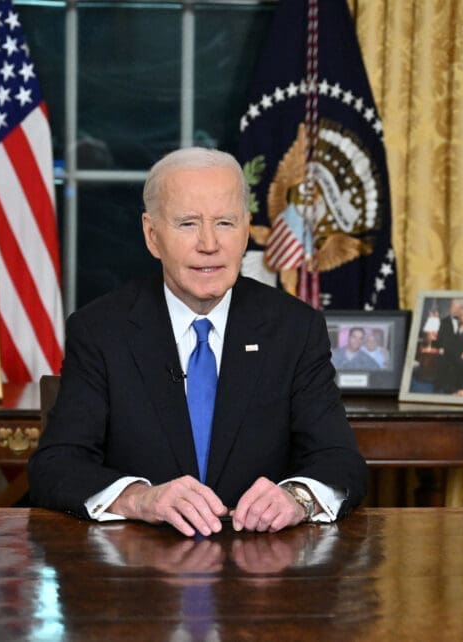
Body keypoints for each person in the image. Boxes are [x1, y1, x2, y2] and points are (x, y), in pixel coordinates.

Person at [28, 147, 366, 538]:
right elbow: (56, 464)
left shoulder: (295, 329)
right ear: (152, 236)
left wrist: (297, 497)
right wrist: (140, 498)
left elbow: (340, 461)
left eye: (225, 222)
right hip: (137, 574)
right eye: (188, 224)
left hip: (263, 574)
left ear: (245, 231)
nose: (209, 243)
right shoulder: (101, 330)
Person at [433, 299, 463, 396]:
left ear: (460, 309)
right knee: (446, 367)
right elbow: (440, 337)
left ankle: (456, 389)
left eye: (456, 307)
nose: (454, 309)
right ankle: (440, 388)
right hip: (447, 350)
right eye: (452, 306)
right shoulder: (444, 321)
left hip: (458, 351)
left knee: (458, 368)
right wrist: (440, 348)